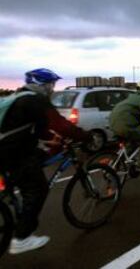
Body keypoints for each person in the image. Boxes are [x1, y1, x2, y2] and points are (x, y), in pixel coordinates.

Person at [0, 68, 90, 254]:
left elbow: (34, 127)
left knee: (31, 167)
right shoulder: (35, 100)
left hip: (11, 149)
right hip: (12, 153)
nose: (52, 88)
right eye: (51, 84)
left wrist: (49, 138)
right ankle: (21, 239)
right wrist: (84, 136)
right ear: (42, 84)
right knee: (37, 188)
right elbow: (61, 124)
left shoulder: (19, 97)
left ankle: (15, 202)